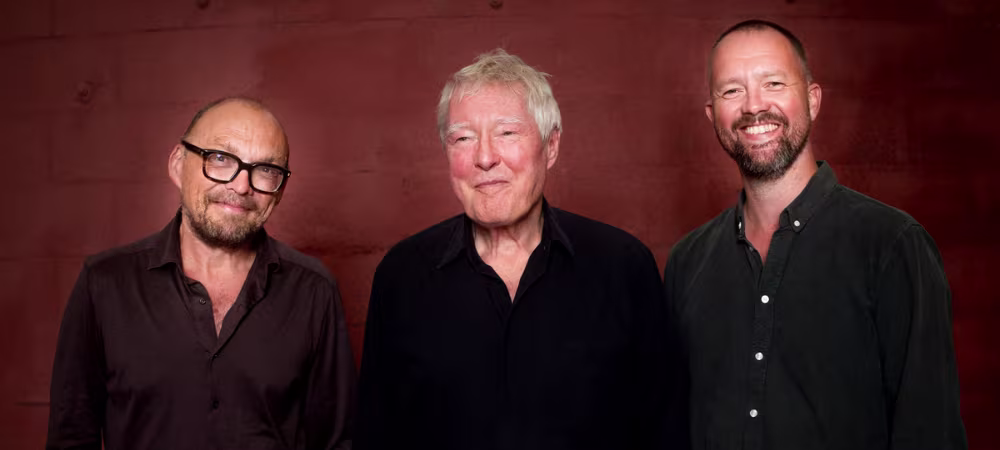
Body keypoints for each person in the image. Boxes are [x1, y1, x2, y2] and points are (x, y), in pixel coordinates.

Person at [356, 49, 683, 450]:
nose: (485, 157)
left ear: (551, 146)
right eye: (463, 138)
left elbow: (663, 432)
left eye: (507, 133)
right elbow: (377, 434)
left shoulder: (624, 266)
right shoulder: (402, 275)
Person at [664, 20, 967, 450]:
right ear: (713, 115)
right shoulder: (687, 263)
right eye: (732, 90)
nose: (754, 106)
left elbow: (930, 432)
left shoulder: (892, 244)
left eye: (773, 83)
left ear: (812, 99)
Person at [47, 97, 355, 450]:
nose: (242, 186)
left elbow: (337, 442)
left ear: (280, 190)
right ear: (178, 165)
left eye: (266, 169)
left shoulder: (313, 290)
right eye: (221, 159)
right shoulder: (104, 283)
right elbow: (71, 437)